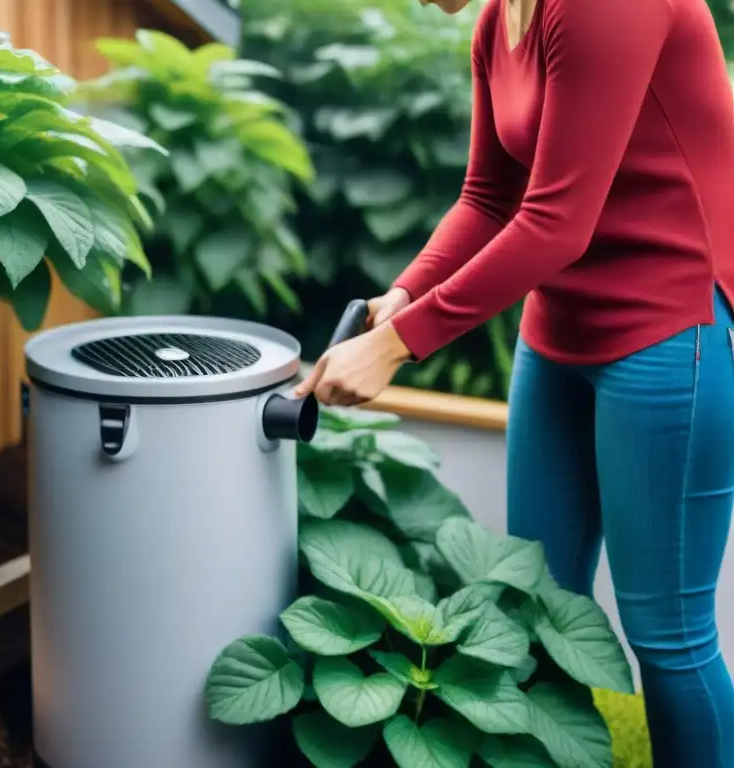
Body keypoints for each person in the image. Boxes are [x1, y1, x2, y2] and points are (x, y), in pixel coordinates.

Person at [295, 0, 734, 763]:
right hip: (557, 336)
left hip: (671, 335)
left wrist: (401, 345)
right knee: (535, 601)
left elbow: (558, 222)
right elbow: (489, 198)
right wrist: (403, 296)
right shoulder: (499, 16)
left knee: (668, 634)